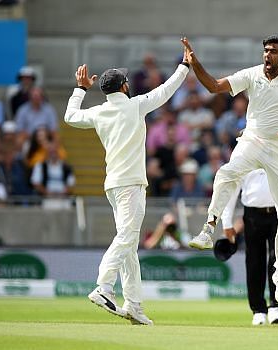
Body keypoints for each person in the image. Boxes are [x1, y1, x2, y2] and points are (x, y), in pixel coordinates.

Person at [182, 36, 278, 306]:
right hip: (253, 140)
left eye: (272, 52)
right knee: (226, 173)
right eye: (265, 51)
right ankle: (207, 228)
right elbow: (214, 86)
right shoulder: (252, 74)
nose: (267, 56)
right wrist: (195, 63)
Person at [63, 44, 189, 325]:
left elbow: (70, 116)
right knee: (127, 238)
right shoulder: (136, 106)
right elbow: (166, 91)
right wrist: (185, 66)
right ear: (122, 87)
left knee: (130, 245)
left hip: (113, 185)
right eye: (126, 80)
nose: (129, 82)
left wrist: (80, 89)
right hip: (131, 184)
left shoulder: (99, 112)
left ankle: (133, 304)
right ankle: (104, 286)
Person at [221, 168, 278, 325]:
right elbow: (233, 187)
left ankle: (276, 307)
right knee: (254, 261)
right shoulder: (245, 149)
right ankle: (258, 310)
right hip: (252, 214)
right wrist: (227, 222)